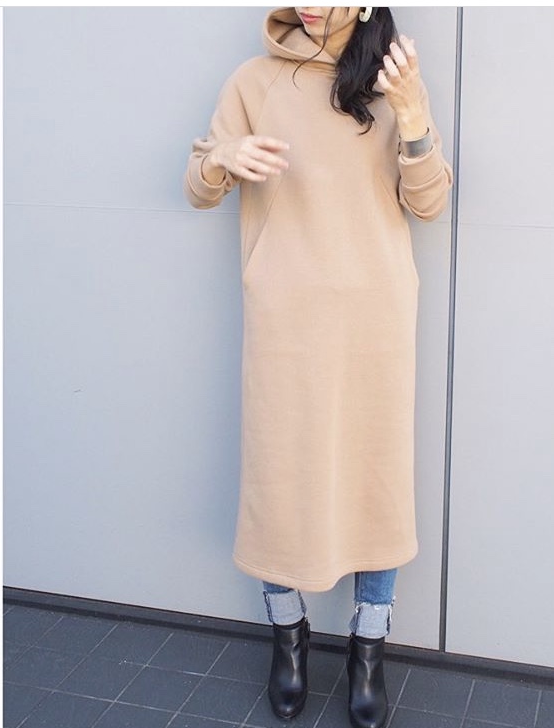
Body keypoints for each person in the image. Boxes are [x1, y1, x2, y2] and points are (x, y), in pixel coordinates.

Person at [184, 7, 452, 728]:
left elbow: (429, 203)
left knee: (374, 476)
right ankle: (288, 637)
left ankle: (369, 647)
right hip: (286, 317)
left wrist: (413, 114)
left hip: (376, 316)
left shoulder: (393, 78)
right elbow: (198, 185)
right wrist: (222, 157)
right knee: (281, 474)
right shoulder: (254, 80)